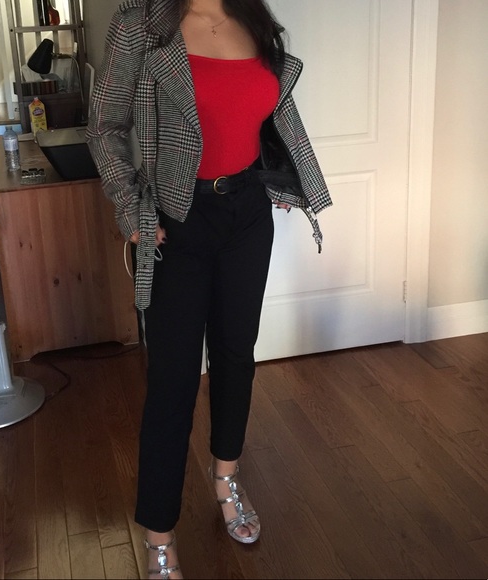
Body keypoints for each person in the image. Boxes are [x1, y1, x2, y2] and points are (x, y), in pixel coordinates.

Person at [86, 0, 332, 577]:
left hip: (247, 213)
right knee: (173, 380)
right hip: (176, 221)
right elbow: (104, 127)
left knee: (235, 356)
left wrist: (278, 175)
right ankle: (159, 535)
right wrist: (131, 209)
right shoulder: (142, 25)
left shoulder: (254, 17)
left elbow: (268, 106)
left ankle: (226, 478)